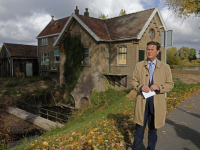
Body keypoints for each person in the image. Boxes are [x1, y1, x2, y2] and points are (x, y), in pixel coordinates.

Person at [131, 41, 174, 150]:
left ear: (157, 52)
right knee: (139, 130)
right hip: (142, 102)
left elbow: (170, 84)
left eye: (152, 50)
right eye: (148, 49)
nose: (149, 52)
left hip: (156, 103)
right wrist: (140, 87)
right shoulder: (139, 65)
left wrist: (159, 87)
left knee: (153, 131)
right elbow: (133, 81)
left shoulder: (165, 67)